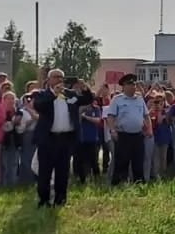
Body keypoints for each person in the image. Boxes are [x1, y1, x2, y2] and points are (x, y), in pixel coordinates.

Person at [33, 70, 93, 207]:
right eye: (56, 77)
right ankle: (44, 200)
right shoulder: (42, 94)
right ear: (49, 80)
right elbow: (39, 106)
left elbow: (87, 100)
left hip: (66, 139)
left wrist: (85, 88)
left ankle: (60, 200)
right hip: (48, 139)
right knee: (45, 171)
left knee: (63, 171)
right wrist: (54, 93)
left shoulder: (69, 94)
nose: (59, 79)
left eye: (61, 77)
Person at [106, 74, 151, 185]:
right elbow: (110, 116)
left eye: (134, 84)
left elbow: (146, 115)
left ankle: (139, 183)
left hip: (138, 135)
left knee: (138, 160)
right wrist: (112, 130)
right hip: (123, 135)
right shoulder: (117, 99)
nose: (133, 86)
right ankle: (119, 183)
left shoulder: (139, 99)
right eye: (130, 84)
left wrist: (149, 129)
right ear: (124, 86)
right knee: (122, 160)